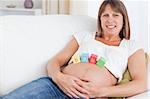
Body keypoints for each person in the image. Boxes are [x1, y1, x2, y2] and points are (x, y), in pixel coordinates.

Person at [1, 0, 147, 99]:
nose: (110, 20)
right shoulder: (85, 36)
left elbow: (141, 83)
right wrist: (59, 78)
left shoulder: (131, 46)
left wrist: (102, 91)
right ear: (100, 19)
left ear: (124, 20)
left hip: (89, 95)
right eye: (105, 15)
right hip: (56, 85)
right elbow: (55, 62)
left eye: (116, 15)